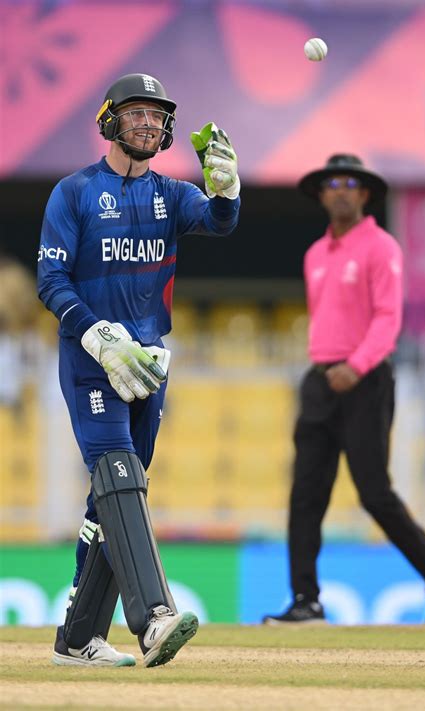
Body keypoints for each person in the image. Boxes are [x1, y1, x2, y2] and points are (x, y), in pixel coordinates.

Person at [37, 73, 240, 666]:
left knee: (116, 494)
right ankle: (153, 619)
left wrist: (227, 191)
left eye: (156, 115)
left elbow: (221, 223)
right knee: (118, 473)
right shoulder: (72, 193)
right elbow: (51, 280)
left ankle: (76, 640)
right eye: (136, 114)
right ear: (109, 121)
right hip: (91, 360)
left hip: (148, 365)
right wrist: (97, 334)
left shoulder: (172, 195)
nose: (149, 123)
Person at [263, 155, 425, 625]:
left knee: (374, 493)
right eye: (333, 184)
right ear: (322, 194)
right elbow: (325, 318)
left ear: (365, 193)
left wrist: (357, 365)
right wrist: (330, 367)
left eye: (350, 183)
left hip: (366, 379)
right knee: (306, 493)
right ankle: (306, 601)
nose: (341, 191)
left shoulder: (381, 246)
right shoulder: (315, 254)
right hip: (321, 379)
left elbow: (388, 319)